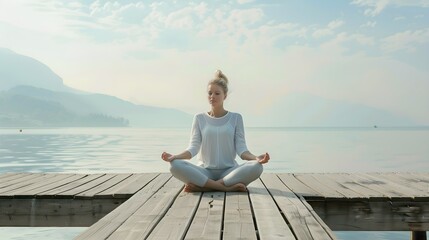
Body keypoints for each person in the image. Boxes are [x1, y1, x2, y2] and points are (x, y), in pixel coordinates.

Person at [161, 70, 270, 192]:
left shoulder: (236, 118)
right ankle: (225, 188)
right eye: (210, 93)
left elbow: (242, 150)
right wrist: (175, 156)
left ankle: (205, 187)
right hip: (204, 171)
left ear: (225, 95)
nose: (212, 96)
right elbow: (193, 149)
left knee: (257, 167)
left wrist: (256, 158)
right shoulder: (199, 118)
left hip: (229, 172)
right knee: (175, 165)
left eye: (217, 93)